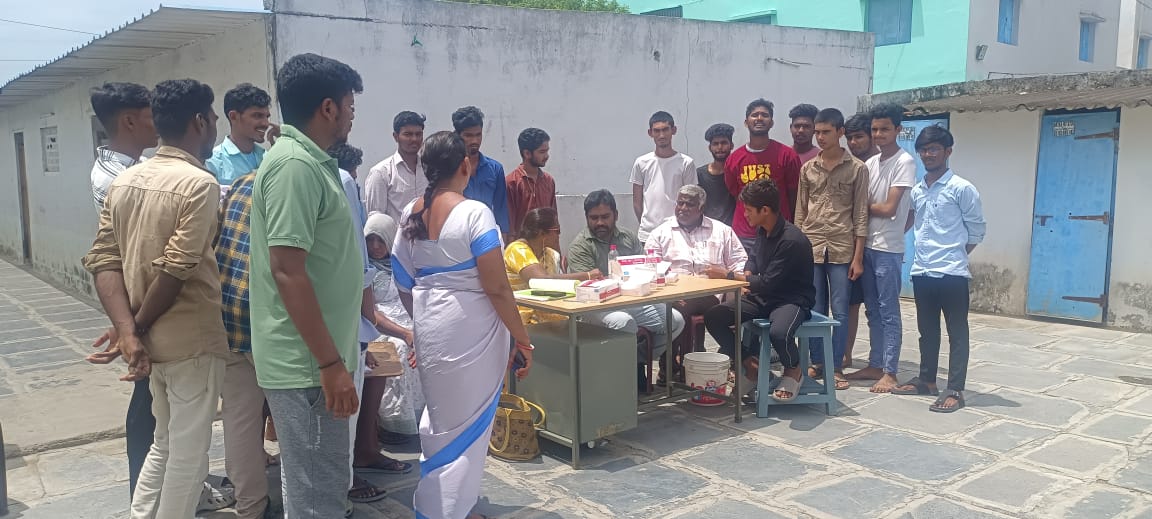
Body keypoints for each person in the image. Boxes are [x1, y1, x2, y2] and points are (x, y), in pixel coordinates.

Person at [82, 79, 229, 518]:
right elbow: (177, 267)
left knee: (163, 445)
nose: (215, 124)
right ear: (200, 121)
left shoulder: (125, 181)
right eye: (214, 116)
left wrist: (130, 332)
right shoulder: (200, 184)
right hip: (191, 339)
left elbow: (103, 258)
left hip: (152, 341)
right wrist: (136, 329)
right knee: (188, 455)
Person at [392, 131, 533, 519]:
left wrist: (422, 326)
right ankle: (448, 510)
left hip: (432, 328)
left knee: (442, 421)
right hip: (472, 333)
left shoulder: (410, 212)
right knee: (468, 427)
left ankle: (457, 504)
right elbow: (498, 288)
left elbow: (403, 280)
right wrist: (523, 340)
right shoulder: (475, 213)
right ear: (464, 165)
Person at [249, 53, 364, 519]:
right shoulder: (295, 166)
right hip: (308, 367)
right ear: (328, 108)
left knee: (318, 486)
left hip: (317, 362)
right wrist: (331, 363)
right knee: (319, 493)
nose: (353, 113)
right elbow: (287, 271)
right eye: (349, 103)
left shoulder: (312, 162)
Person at [329, 143, 409, 505]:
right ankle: (343, 478)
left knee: (373, 372)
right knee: (338, 409)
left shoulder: (393, 264)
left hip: (358, 328)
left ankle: (367, 449)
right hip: (343, 324)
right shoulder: (338, 187)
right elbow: (368, 303)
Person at [893, 126, 985, 413]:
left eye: (934, 149)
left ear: (948, 152)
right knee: (927, 330)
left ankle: (955, 389)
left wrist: (955, 254)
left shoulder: (962, 188)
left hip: (952, 273)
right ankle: (927, 379)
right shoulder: (918, 191)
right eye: (924, 149)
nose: (928, 154)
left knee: (957, 332)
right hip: (922, 271)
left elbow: (977, 231)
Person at [703, 178, 815, 402]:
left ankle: (793, 368)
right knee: (715, 316)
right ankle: (749, 363)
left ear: (765, 210)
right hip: (763, 297)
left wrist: (728, 275)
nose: (745, 215)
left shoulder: (791, 240)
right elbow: (753, 260)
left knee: (779, 333)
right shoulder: (763, 230)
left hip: (790, 299)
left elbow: (768, 282)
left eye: (749, 210)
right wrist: (746, 274)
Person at [568, 189, 686, 391]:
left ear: (615, 215)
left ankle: (637, 360)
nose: (600, 223)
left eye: (605, 217)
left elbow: (646, 271)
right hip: (597, 306)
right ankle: (625, 375)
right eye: (593, 218)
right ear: (586, 218)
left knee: (675, 320)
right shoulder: (580, 246)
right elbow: (589, 291)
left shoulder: (628, 238)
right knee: (623, 322)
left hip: (632, 301)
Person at [793, 108, 869, 392]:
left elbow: (861, 214)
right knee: (812, 308)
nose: (820, 137)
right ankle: (816, 361)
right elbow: (800, 211)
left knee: (839, 310)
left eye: (826, 132)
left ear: (840, 132)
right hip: (811, 246)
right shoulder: (807, 169)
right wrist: (797, 250)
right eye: (818, 132)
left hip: (841, 248)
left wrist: (858, 257)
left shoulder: (858, 168)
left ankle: (836, 366)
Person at [216, 168, 275, 519]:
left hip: (228, 314)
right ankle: (308, 501)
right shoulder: (299, 179)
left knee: (239, 419)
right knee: (295, 419)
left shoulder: (241, 182)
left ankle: (251, 506)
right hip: (269, 319)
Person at [845, 103, 917, 393]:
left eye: (885, 129)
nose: (878, 134)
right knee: (872, 310)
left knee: (888, 311)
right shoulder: (871, 163)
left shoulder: (905, 162)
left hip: (888, 248)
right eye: (874, 129)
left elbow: (890, 208)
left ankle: (890, 371)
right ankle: (875, 363)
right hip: (867, 244)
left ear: (898, 130)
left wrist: (859, 208)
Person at [645, 184, 746, 383]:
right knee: (674, 308)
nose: (682, 208)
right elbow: (650, 267)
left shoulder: (721, 231)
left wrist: (729, 278)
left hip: (710, 296)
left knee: (682, 308)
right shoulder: (660, 233)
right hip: (671, 294)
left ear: (701, 208)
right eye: (679, 203)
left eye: (689, 204)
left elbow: (740, 262)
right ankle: (673, 364)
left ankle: (682, 363)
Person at [363, 212, 425, 443]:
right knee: (399, 349)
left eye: (381, 240)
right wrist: (406, 334)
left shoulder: (402, 265)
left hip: (407, 319)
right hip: (381, 327)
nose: (376, 246)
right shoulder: (366, 270)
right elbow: (371, 313)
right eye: (370, 240)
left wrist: (418, 331)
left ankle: (423, 419)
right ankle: (395, 423)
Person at [725, 98, 802, 255]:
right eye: (755, 115)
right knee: (745, 277)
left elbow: (793, 194)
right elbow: (735, 194)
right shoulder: (734, 158)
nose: (759, 118)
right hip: (743, 234)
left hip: (776, 233)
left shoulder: (787, 155)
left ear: (772, 122)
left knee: (774, 278)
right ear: (746, 122)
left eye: (764, 115)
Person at [505, 207, 601, 324]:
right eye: (557, 230)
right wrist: (587, 275)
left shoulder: (550, 254)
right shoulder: (517, 250)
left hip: (551, 318)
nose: (559, 235)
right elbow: (540, 280)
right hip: (524, 322)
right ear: (542, 234)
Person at [841, 112, 878, 368]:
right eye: (850, 138)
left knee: (877, 309)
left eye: (859, 137)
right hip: (848, 245)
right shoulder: (848, 166)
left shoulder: (881, 164)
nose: (854, 143)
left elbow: (906, 212)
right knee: (850, 303)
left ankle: (879, 363)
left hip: (879, 247)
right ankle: (844, 354)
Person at [631, 111, 696, 242]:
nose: (661, 135)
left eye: (665, 130)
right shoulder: (641, 162)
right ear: (650, 133)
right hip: (647, 234)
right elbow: (637, 201)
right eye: (657, 131)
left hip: (678, 233)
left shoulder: (686, 163)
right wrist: (646, 224)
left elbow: (691, 200)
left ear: (674, 130)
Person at [89, 82, 155, 211]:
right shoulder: (119, 181)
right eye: (152, 117)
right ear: (129, 121)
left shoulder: (138, 163)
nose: (159, 123)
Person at [453, 106, 510, 236]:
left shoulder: (495, 169)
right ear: (457, 135)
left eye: (478, 135)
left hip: (487, 234)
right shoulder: (449, 168)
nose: (475, 141)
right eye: (468, 135)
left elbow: (501, 211)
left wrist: (503, 243)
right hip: (457, 235)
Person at [206, 83, 276, 186]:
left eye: (267, 116)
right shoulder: (213, 162)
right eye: (257, 116)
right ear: (233, 116)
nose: (266, 123)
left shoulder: (267, 157)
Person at [364, 111, 427, 220]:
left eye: (418, 134)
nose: (414, 139)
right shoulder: (381, 173)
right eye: (408, 134)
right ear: (396, 137)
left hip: (428, 236)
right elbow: (376, 219)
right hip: (395, 236)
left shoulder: (430, 168)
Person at [505, 128, 558, 242]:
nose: (547, 156)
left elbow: (554, 223)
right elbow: (510, 227)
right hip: (522, 249)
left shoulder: (549, 181)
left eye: (547, 151)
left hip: (545, 248)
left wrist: (556, 254)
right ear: (527, 153)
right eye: (542, 152)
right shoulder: (512, 182)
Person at [697, 123, 736, 226]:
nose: (720, 147)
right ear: (710, 147)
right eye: (715, 144)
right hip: (707, 230)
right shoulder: (700, 175)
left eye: (724, 143)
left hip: (734, 231)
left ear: (731, 145)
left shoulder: (737, 173)